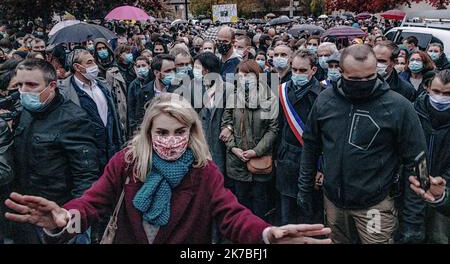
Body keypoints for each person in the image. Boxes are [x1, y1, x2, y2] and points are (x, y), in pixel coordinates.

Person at [4, 93, 331, 244]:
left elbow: (231, 215)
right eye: (162, 132)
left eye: (179, 132)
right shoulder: (126, 163)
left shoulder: (204, 171)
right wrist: (63, 218)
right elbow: (93, 203)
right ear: (148, 133)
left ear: (192, 133)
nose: (172, 141)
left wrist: (265, 233)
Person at [298, 44, 428, 244]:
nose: (363, 83)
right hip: (334, 203)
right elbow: (310, 146)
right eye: (355, 79)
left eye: (369, 77)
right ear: (341, 72)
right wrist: (305, 189)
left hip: (376, 205)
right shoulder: (325, 101)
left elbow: (417, 162)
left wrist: (413, 220)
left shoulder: (398, 106)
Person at [6, 59, 99, 243]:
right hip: (28, 215)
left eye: (32, 85)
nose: (24, 91)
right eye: (20, 85)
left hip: (59, 213)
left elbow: (86, 175)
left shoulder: (73, 119)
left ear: (52, 86)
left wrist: (73, 221)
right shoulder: (24, 113)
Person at [221, 60, 278, 221]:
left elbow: (272, 130)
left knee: (260, 203)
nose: (243, 78)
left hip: (260, 161)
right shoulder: (233, 97)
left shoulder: (269, 98)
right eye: (240, 75)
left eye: (247, 75)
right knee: (240, 203)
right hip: (237, 161)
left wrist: (256, 151)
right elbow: (226, 123)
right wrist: (233, 148)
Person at [276, 51, 323, 225]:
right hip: (286, 159)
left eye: (302, 70)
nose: (297, 74)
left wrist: (322, 167)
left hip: (311, 161)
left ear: (313, 70)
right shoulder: (282, 89)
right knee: (286, 214)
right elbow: (278, 126)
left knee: (308, 216)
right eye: (294, 69)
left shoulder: (323, 95)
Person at [58, 49, 125, 171]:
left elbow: (113, 116)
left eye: (94, 61)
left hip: (110, 148)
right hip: (86, 155)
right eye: (89, 62)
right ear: (77, 67)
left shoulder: (102, 85)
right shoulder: (65, 92)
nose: (94, 65)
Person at [413, 70, 450, 243]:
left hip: (443, 191)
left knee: (439, 237)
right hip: (411, 188)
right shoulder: (412, 112)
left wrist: (442, 181)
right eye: (437, 92)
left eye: (448, 94)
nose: (441, 97)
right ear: (428, 88)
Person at [127, 56, 154, 136]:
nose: (141, 68)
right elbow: (131, 106)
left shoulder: (154, 81)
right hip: (140, 121)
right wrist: (133, 126)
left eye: (143, 65)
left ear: (149, 66)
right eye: (138, 66)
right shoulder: (133, 85)